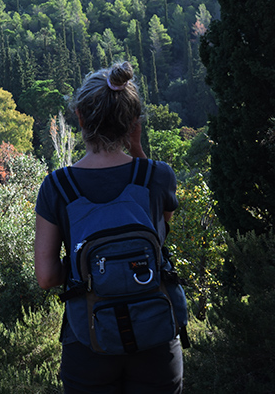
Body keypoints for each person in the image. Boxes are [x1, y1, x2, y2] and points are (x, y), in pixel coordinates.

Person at [34, 61, 183, 393]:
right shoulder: (159, 176)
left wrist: (92, 271)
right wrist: (138, 148)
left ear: (81, 118)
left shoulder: (58, 186)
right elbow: (160, 235)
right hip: (156, 334)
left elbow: (45, 277)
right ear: (134, 123)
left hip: (88, 339)